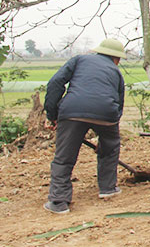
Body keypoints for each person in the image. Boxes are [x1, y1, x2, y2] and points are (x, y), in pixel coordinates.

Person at [43, 38, 127, 214]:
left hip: (73, 111)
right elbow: (119, 102)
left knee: (64, 156)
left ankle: (59, 202)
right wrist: (110, 127)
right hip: (107, 112)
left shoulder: (79, 60)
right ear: (116, 58)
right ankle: (107, 189)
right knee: (110, 148)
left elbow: (55, 83)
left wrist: (53, 115)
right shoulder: (116, 72)